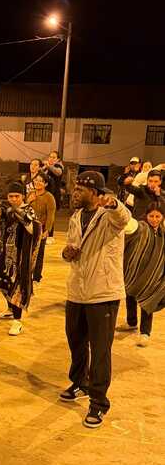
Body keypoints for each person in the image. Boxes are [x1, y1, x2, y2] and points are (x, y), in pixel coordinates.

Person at [61, 170, 131, 428]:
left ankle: (99, 402)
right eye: (75, 188)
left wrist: (113, 203)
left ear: (94, 193)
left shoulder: (109, 217)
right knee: (76, 341)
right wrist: (67, 253)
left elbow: (124, 218)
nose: (74, 192)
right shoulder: (76, 217)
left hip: (103, 292)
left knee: (100, 350)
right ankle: (79, 383)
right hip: (77, 291)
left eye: (80, 189)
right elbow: (71, 246)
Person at [0, 182, 42, 336]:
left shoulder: (28, 210)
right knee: (4, 283)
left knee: (17, 288)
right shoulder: (3, 209)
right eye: (11, 196)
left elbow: (34, 230)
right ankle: (10, 309)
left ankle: (17, 321)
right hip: (3, 254)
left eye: (17, 196)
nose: (14, 199)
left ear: (23, 196)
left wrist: (20, 214)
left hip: (20, 258)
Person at [117, 202, 165, 346]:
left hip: (153, 275)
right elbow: (128, 229)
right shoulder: (140, 227)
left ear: (163, 217)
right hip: (134, 272)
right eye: (151, 216)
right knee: (130, 295)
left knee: (148, 301)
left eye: (158, 216)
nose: (154, 219)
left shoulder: (163, 232)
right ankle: (131, 322)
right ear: (146, 215)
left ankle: (145, 332)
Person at [27, 171, 56, 282]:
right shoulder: (30, 194)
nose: (37, 182)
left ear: (46, 184)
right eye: (36, 180)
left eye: (41, 181)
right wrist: (28, 201)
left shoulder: (49, 197)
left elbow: (51, 215)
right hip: (29, 226)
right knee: (28, 251)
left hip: (41, 228)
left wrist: (47, 230)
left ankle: (36, 276)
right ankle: (27, 273)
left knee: (39, 253)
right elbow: (24, 209)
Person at [43, 150, 64, 242]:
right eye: (50, 157)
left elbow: (58, 172)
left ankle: (50, 236)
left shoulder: (59, 166)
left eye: (53, 157)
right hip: (46, 194)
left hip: (54, 195)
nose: (51, 159)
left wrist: (48, 166)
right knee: (44, 215)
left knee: (50, 216)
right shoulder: (47, 167)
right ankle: (44, 234)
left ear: (58, 159)